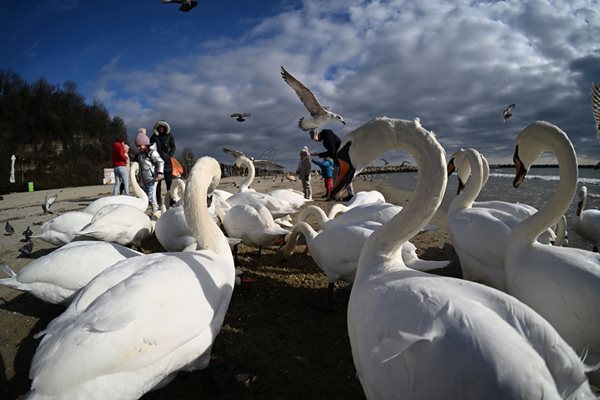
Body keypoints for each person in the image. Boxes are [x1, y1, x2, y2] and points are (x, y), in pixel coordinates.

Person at [310, 128, 354, 201]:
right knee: (341, 176)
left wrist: (318, 154)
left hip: (343, 156)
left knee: (340, 176)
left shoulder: (327, 133)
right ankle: (345, 194)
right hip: (339, 158)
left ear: (316, 134)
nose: (315, 141)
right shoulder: (325, 139)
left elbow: (332, 152)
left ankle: (339, 195)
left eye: (314, 139)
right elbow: (332, 152)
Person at [134, 128, 164, 213]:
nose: (139, 148)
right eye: (137, 146)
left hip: (152, 179)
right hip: (144, 180)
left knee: (151, 197)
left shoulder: (152, 153)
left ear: (145, 144)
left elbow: (160, 162)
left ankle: (156, 211)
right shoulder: (140, 155)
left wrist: (159, 173)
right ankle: (151, 210)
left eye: (140, 145)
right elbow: (140, 166)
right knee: (145, 197)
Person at [150, 120, 176, 206]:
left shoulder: (169, 136)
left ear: (165, 128)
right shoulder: (154, 137)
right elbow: (150, 147)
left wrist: (169, 155)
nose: (161, 128)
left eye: (162, 127)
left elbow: (173, 147)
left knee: (169, 183)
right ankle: (158, 200)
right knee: (158, 184)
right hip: (157, 162)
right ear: (157, 128)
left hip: (167, 162)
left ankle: (171, 200)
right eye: (159, 127)